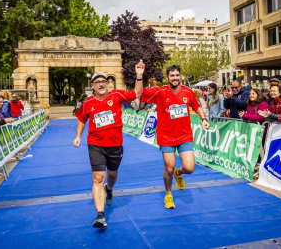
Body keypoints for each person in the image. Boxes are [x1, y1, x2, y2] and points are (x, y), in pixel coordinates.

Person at [73, 61, 145, 228]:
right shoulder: (88, 103)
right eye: (97, 82)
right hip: (95, 144)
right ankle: (100, 215)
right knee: (98, 178)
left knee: (112, 174)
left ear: (107, 83)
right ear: (92, 85)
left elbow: (136, 93)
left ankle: (110, 189)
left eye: (103, 81)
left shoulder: (117, 96)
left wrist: (139, 76)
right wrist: (78, 136)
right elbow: (81, 120)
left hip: (115, 145)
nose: (101, 84)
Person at [140, 64, 210, 209]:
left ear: (180, 76)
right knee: (169, 168)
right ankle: (169, 194)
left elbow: (196, 106)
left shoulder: (187, 92)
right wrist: (139, 76)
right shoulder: (160, 91)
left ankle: (180, 173)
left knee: (189, 168)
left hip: (184, 136)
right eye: (172, 76)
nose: (175, 78)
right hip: (166, 137)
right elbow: (139, 92)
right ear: (167, 78)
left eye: (177, 75)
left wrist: (203, 119)